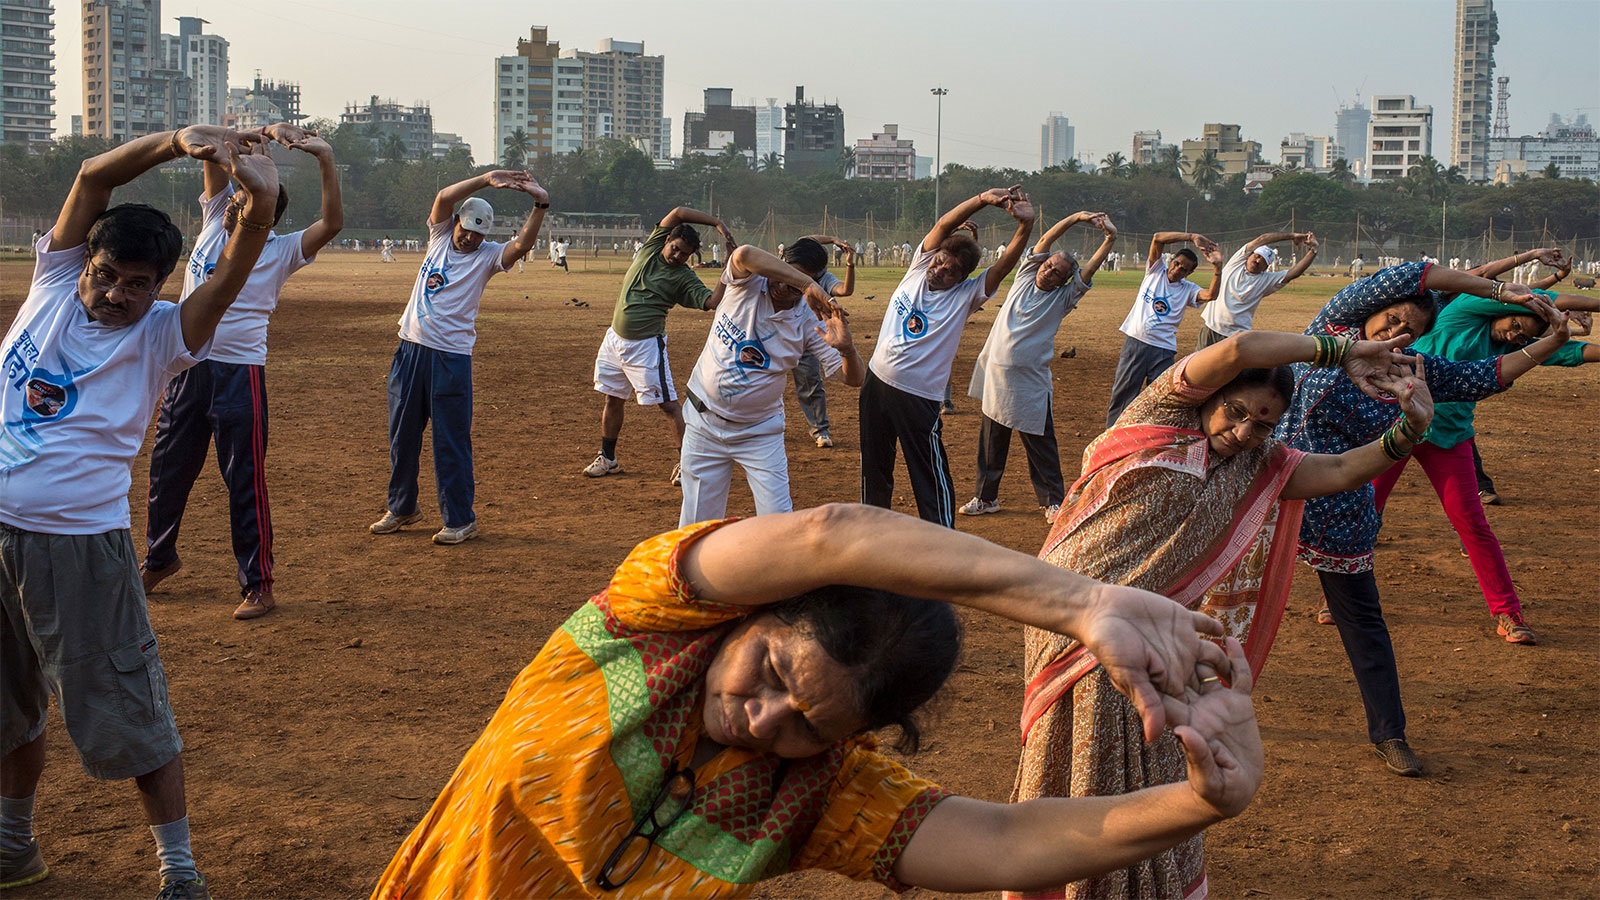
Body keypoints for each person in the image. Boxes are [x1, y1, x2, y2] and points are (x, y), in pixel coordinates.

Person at [372, 504, 1263, 899]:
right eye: (769, 670)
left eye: (809, 725)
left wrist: (1197, 802)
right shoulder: (648, 620)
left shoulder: (817, 796)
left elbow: (1005, 839)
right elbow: (830, 534)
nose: (761, 719)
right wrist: (1082, 602)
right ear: (753, 612)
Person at [1014, 327, 1434, 899]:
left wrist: (1409, 430)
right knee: (1084, 753)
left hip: (1153, 632)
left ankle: (1141, 884)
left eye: (1262, 424)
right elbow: (1238, 350)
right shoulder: (1162, 412)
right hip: (1072, 616)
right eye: (1234, 412)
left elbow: (1338, 472)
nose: (1242, 432)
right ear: (1210, 395)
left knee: (1152, 754)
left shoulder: (1259, 467)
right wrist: (1338, 351)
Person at [0, 125, 278, 899]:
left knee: (130, 714)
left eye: (137, 284)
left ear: (161, 289)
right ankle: (12, 849)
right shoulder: (52, 285)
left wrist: (255, 203)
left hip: (79, 551)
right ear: (81, 263)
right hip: (0, 539)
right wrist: (174, 143)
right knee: (7, 707)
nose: (117, 293)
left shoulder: (168, 335)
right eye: (108, 275)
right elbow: (92, 176)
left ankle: (180, 873)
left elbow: (235, 267)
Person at [1279, 261, 1569, 776]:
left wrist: (1549, 342)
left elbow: (1484, 377)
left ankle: (1390, 734)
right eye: (1392, 319)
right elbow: (1416, 275)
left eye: (1410, 329)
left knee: (1364, 623)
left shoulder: (1411, 369)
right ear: (1371, 312)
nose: (1397, 331)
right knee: (1224, 597)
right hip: (1271, 484)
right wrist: (1505, 289)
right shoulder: (1333, 329)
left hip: (1339, 502)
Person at [140, 122, 342, 621]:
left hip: (239, 373)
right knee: (167, 470)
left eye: (246, 198)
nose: (232, 203)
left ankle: (258, 584)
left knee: (244, 480)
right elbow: (210, 150)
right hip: (186, 367)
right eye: (232, 197)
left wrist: (325, 159)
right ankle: (159, 558)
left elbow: (333, 223)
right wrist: (251, 135)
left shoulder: (280, 250)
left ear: (266, 211)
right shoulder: (213, 221)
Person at [1361, 285, 1598, 643]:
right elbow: (1536, 296)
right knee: (1364, 511)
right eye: (1518, 324)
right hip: (1396, 422)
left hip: (1449, 436)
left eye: (1526, 335)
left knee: (1472, 524)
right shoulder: (1464, 311)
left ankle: (1508, 612)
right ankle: (1337, 599)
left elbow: (1571, 352)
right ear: (1503, 308)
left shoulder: (1509, 348)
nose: (1516, 334)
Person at [367, 170, 547, 545]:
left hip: (450, 359)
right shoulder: (437, 238)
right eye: (465, 229)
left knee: (450, 441)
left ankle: (460, 519)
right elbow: (443, 197)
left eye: (477, 233)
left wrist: (540, 204)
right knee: (401, 437)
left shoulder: (488, 257)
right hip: (410, 350)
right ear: (455, 223)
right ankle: (402, 507)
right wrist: (486, 179)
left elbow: (522, 245)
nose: (469, 238)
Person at [861, 187, 1034, 527]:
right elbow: (943, 224)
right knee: (874, 465)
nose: (939, 270)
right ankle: (872, 530)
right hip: (875, 382)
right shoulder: (919, 266)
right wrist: (982, 199)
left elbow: (1003, 267)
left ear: (962, 277)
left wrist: (1025, 227)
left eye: (950, 270)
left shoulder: (966, 295)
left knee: (927, 472)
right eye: (940, 261)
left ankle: (944, 537)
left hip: (918, 395)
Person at [678, 242, 863, 526]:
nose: (782, 286)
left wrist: (847, 349)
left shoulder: (808, 318)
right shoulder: (747, 281)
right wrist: (802, 283)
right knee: (696, 525)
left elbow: (854, 378)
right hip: (704, 423)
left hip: (759, 433)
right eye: (785, 275)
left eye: (795, 285)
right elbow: (743, 254)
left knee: (778, 524)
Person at [960, 210, 1117, 523]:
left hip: (1031, 382)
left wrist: (1110, 238)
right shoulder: (1023, 277)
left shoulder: (1062, 299)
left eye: (1056, 273)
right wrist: (1073, 218)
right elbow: (1045, 240)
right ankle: (986, 497)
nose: (1048, 272)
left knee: (1040, 444)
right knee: (992, 441)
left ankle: (1053, 502)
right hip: (998, 375)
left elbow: (1088, 270)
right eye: (1048, 266)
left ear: (1064, 281)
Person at [583, 206, 735, 483]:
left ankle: (687, 464)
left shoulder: (684, 277)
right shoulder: (651, 248)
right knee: (613, 399)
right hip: (614, 340)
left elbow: (711, 302)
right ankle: (608, 458)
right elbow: (677, 212)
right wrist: (716, 223)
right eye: (675, 249)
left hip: (646, 347)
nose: (678, 256)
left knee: (669, 406)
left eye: (684, 254)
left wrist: (728, 268)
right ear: (666, 240)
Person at [1104, 232, 1223, 427]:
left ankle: (1148, 437)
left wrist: (1217, 267)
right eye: (1176, 263)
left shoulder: (1188, 289)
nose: (1177, 270)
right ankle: (1112, 435)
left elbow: (1211, 295)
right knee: (1124, 394)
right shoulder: (1155, 271)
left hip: (1164, 350)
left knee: (1159, 399)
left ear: (1188, 274)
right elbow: (1158, 238)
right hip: (1137, 342)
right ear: (1171, 260)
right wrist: (1191, 236)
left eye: (1183, 269)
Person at [787, 235, 856, 448]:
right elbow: (806, 239)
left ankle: (820, 430)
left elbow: (845, 290)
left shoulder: (823, 278)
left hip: (808, 333)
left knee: (810, 382)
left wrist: (849, 264)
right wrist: (834, 239)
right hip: (774, 331)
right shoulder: (785, 264)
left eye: (808, 277)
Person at [1195, 231, 1319, 349]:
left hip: (1236, 336)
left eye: (1263, 261)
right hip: (1211, 328)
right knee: (1197, 368)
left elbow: (1294, 273)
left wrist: (1313, 250)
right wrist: (1292, 236)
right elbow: (1262, 239)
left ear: (1266, 268)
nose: (1258, 260)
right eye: (1257, 256)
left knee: (1228, 371)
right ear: (1249, 256)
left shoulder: (1266, 281)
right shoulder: (1235, 264)